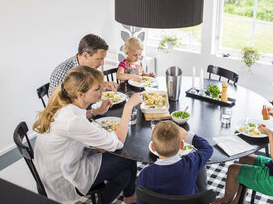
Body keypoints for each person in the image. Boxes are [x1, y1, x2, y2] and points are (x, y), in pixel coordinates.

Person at [33, 65, 142, 204]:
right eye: (97, 88)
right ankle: (126, 196)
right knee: (129, 157)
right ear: (80, 94)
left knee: (126, 173)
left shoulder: (63, 105)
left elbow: (76, 121)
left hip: (56, 168)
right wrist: (129, 106)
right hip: (65, 179)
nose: (103, 90)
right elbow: (118, 142)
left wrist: (95, 112)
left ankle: (129, 196)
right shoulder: (72, 121)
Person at [136, 120, 213, 204]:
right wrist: (187, 135)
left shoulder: (145, 174)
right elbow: (207, 148)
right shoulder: (191, 163)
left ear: (153, 147)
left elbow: (141, 200)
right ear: (182, 145)